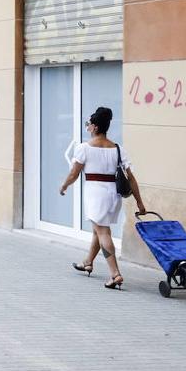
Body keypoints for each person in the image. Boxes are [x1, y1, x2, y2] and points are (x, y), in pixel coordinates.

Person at [59, 106, 146, 289]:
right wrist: (139, 202)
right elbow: (131, 177)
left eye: (88, 124)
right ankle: (88, 262)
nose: (87, 127)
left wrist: (64, 185)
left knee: (103, 232)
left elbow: (74, 173)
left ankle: (115, 274)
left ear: (96, 127)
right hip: (113, 195)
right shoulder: (118, 149)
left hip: (96, 194)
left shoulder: (84, 148)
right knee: (98, 230)